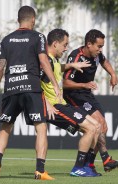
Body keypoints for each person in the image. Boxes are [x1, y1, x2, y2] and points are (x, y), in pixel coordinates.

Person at [0, 6, 61, 180]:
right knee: (41, 128)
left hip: (11, 88)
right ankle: (40, 170)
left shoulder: (6, 40)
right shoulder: (38, 37)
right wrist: (55, 84)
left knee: (5, 127)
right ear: (33, 19)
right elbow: (43, 61)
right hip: (31, 88)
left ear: (18, 19)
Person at [40, 28, 102, 177]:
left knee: (97, 126)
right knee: (90, 128)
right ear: (55, 44)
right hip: (54, 107)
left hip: (61, 104)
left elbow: (56, 68)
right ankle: (78, 168)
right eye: (65, 44)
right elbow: (35, 83)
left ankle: (87, 166)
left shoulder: (53, 60)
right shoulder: (45, 60)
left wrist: (71, 65)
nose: (66, 48)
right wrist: (47, 104)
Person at [63, 29, 118, 173]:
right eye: (99, 46)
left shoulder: (96, 54)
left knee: (103, 127)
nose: (100, 49)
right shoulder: (76, 57)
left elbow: (104, 61)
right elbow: (65, 83)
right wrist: (84, 85)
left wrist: (113, 74)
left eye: (102, 46)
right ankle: (105, 159)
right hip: (74, 95)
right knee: (97, 124)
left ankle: (91, 164)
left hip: (87, 94)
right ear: (89, 44)